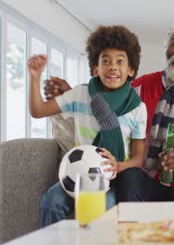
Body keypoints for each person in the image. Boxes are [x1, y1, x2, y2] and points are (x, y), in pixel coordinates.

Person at [44, 21, 174, 202]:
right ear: (166, 51)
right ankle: (128, 229)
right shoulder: (142, 85)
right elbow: (106, 107)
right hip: (148, 179)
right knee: (130, 175)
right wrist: (72, 95)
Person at [29, 25, 147, 227]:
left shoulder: (137, 108)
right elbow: (38, 110)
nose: (112, 66)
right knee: (51, 202)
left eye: (120, 61)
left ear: (131, 70)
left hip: (109, 180)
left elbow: (138, 157)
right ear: (95, 68)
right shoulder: (80, 94)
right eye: (105, 61)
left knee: (103, 212)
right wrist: (35, 77)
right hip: (77, 175)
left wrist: (120, 166)